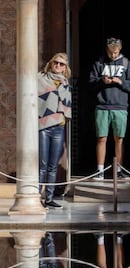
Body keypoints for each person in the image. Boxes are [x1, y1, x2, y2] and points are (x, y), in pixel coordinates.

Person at [89, 37, 130, 181]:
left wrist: (120, 82)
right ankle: (100, 170)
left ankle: (119, 170)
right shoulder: (99, 63)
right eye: (111, 53)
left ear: (120, 49)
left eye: (116, 53)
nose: (113, 56)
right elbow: (91, 83)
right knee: (101, 138)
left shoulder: (126, 63)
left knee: (119, 139)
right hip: (102, 105)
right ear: (106, 50)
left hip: (120, 106)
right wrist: (102, 81)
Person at [38, 52, 72, 209]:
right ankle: (36, 197)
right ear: (51, 64)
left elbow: (66, 106)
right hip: (43, 126)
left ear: (65, 68)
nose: (58, 66)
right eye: (56, 63)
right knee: (42, 165)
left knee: (53, 165)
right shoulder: (40, 78)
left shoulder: (65, 83)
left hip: (58, 126)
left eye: (61, 64)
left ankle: (49, 198)